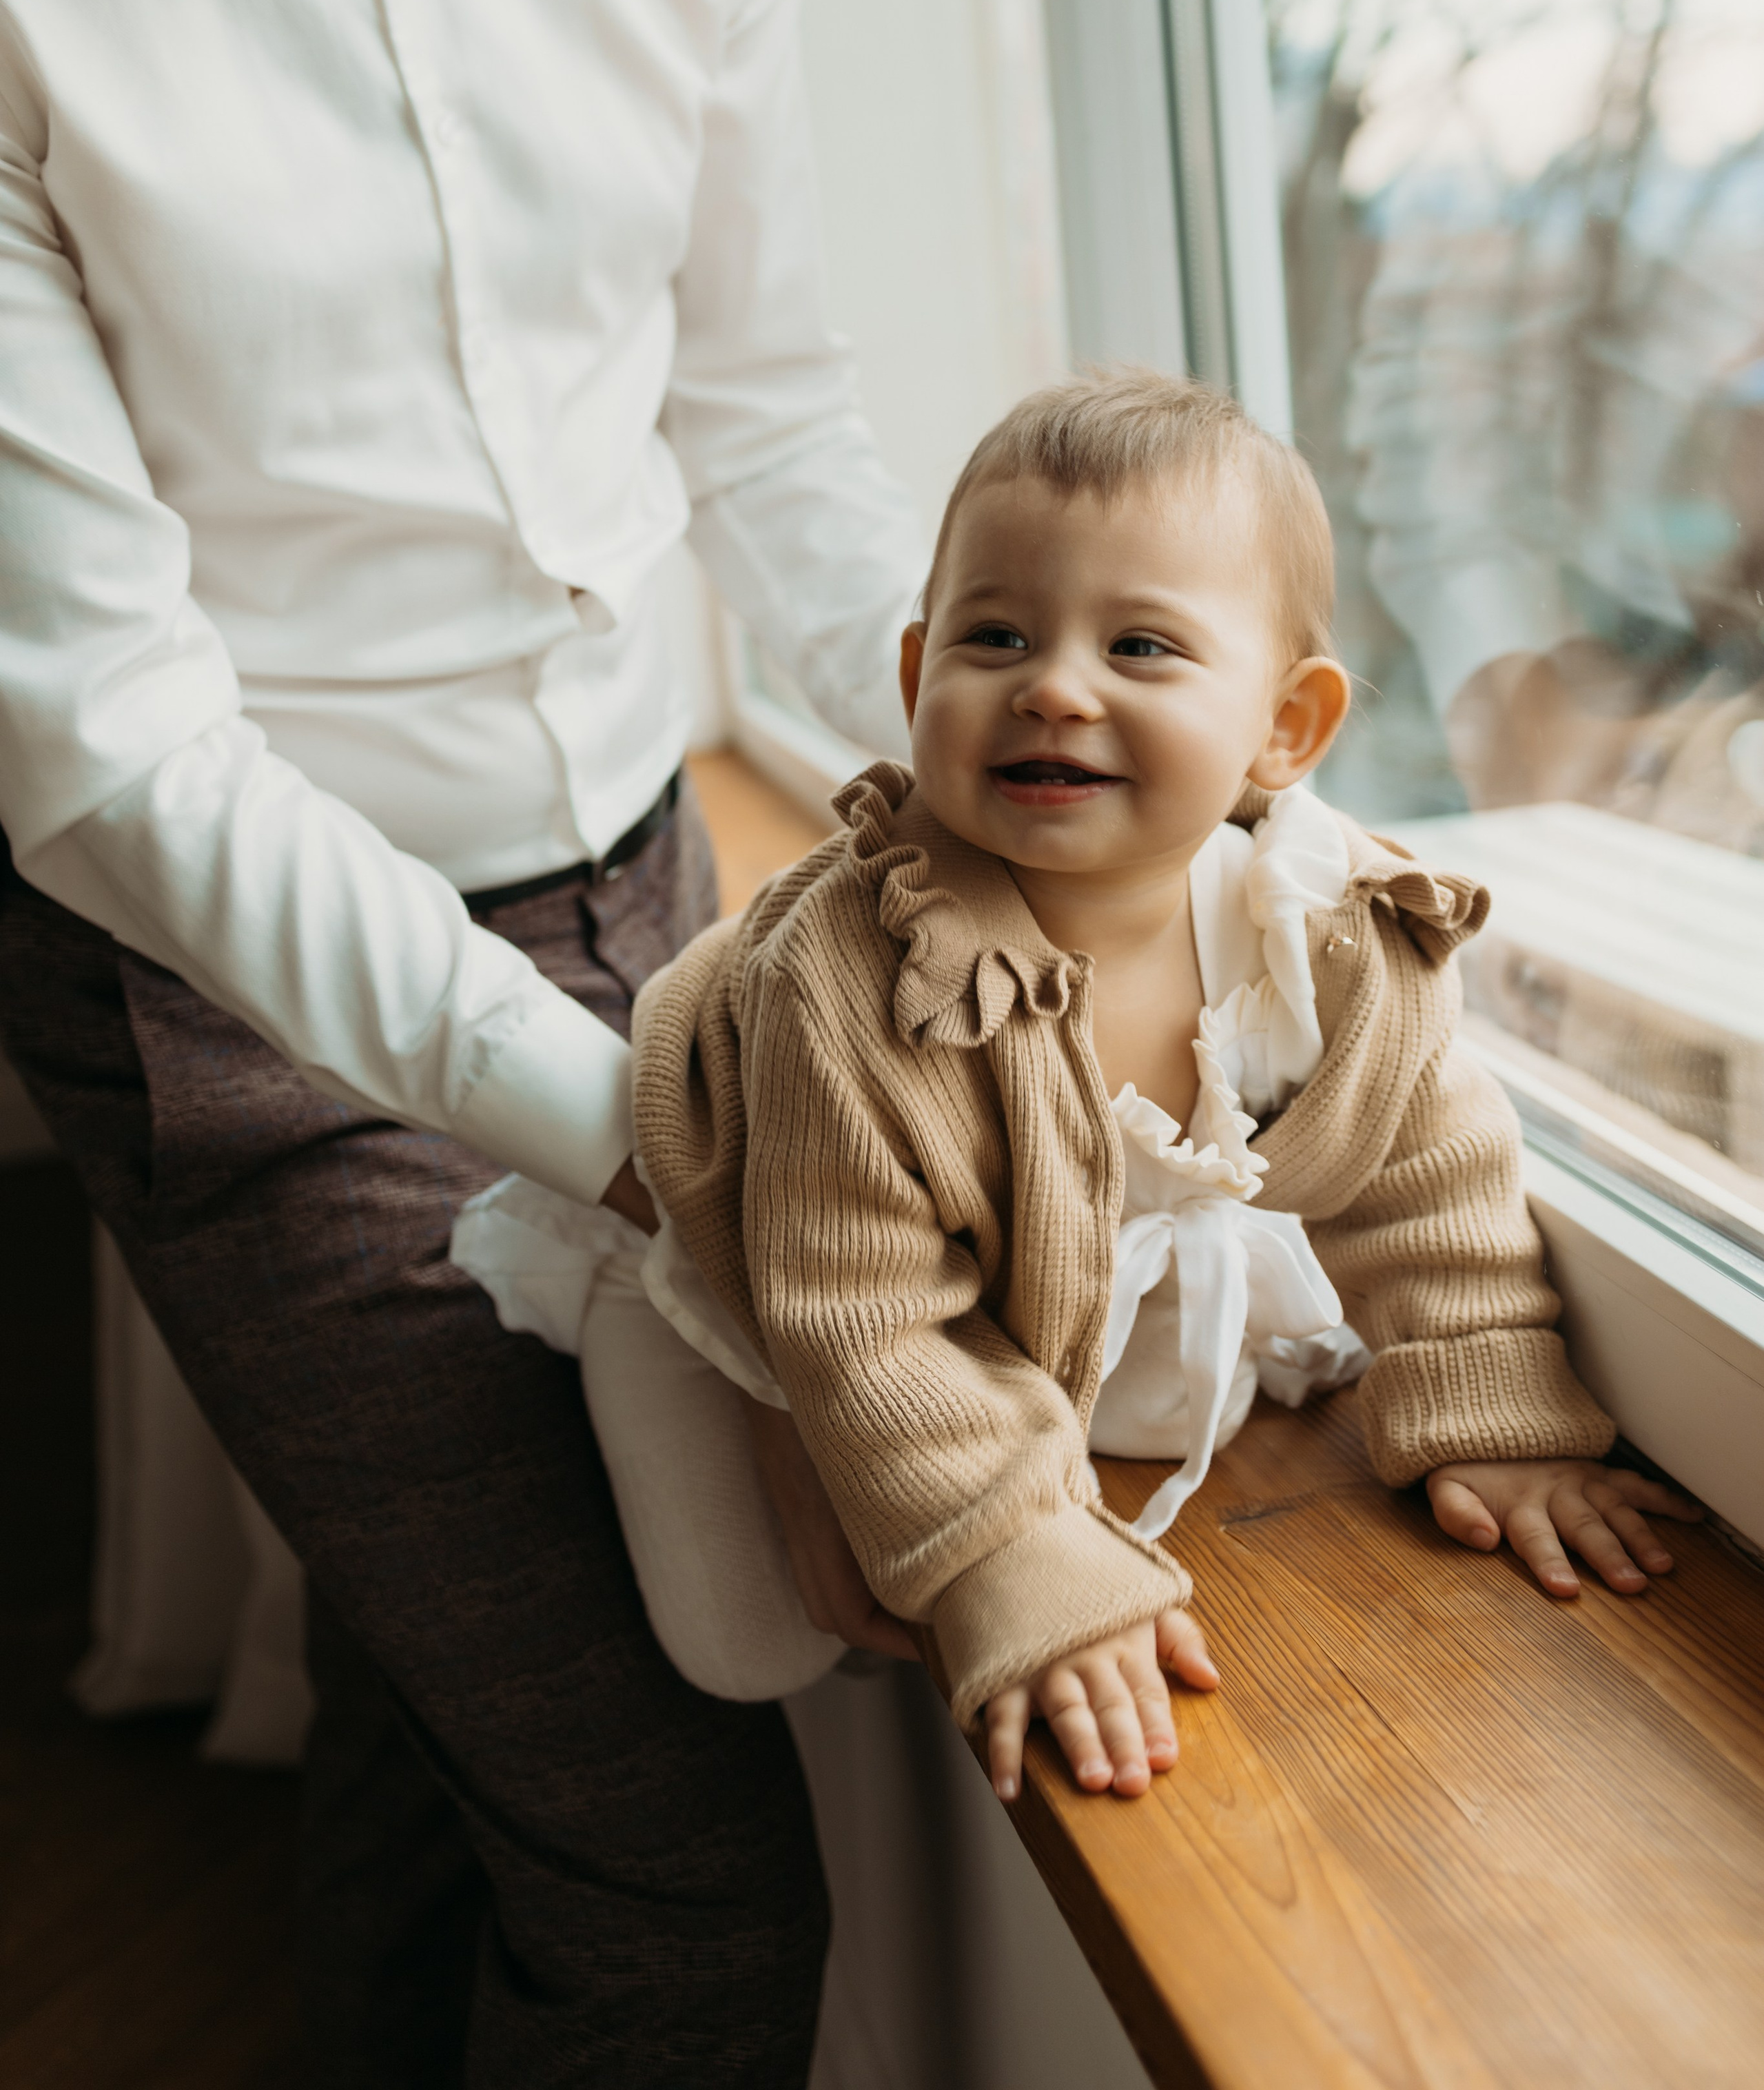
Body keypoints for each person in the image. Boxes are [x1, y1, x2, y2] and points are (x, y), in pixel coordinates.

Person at [0, 0, 929, 2080]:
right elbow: (111, 757)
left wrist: (1088, 755)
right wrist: (652, 1129)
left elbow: (765, 427)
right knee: (682, 1887)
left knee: (448, 1697)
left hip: (655, 866)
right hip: (223, 985)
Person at [524, 372, 1695, 1808]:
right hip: (764, 1226)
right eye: (995, 636)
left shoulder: (1318, 936)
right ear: (914, 686)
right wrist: (1007, 1552)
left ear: (1284, 728)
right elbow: (864, 1307)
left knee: (1115, 1376)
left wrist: (1488, 1406)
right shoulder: (857, 993)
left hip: (1030, 1236)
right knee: (740, 1641)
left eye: (1138, 645)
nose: (1054, 685)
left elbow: (1426, 1167)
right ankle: (618, 1303)